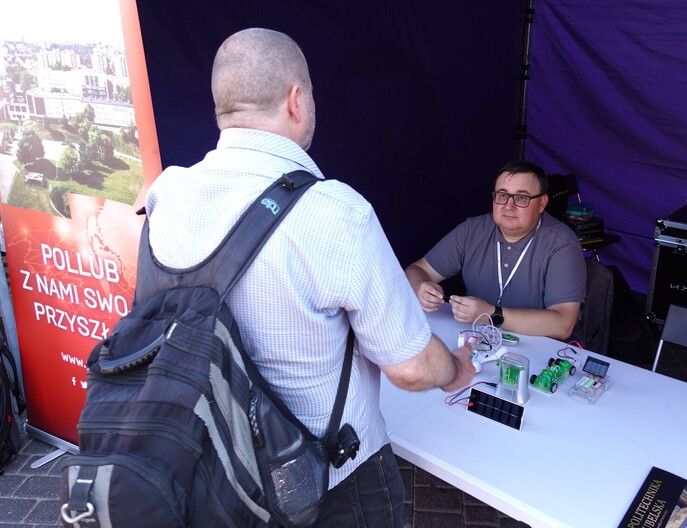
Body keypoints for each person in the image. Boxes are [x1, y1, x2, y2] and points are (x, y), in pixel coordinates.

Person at [144, 28, 476, 527]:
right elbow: (409, 367)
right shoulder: (336, 211)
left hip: (211, 464)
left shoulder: (165, 194)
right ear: (296, 100)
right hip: (329, 480)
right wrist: (456, 369)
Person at [405, 160, 587, 340]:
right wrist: (421, 286)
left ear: (542, 203)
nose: (509, 206)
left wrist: (491, 314)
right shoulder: (472, 230)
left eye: (521, 198)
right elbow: (417, 269)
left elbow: (563, 324)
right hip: (477, 338)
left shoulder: (562, 243)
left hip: (541, 347)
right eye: (502, 195)